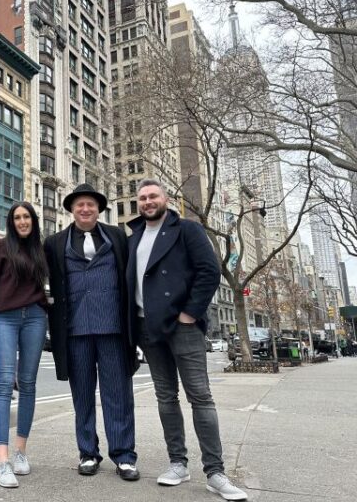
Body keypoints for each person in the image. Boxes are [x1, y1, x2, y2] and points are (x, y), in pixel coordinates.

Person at [127, 178, 248, 501]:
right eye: (142, 198)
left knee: (200, 397)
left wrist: (190, 313)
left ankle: (215, 472)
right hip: (147, 327)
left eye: (153, 196)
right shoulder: (134, 235)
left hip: (182, 325)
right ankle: (178, 463)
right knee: (165, 398)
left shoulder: (188, 230)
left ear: (166, 199)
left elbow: (209, 271)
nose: (148, 202)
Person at [43, 183, 140, 482]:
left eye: (91, 205)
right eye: (79, 205)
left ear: (99, 209)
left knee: (118, 396)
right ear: (71, 210)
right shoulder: (54, 243)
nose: (85, 209)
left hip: (113, 327)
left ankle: (124, 456)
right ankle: (87, 453)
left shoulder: (117, 237)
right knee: (82, 396)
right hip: (75, 331)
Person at [0, 201, 49, 488]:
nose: (22, 221)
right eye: (17, 217)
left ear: (33, 220)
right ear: (11, 222)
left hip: (35, 317)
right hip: (4, 319)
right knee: (4, 383)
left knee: (29, 383)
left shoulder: (39, 250)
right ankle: (2, 460)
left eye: (27, 217)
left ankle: (21, 452)